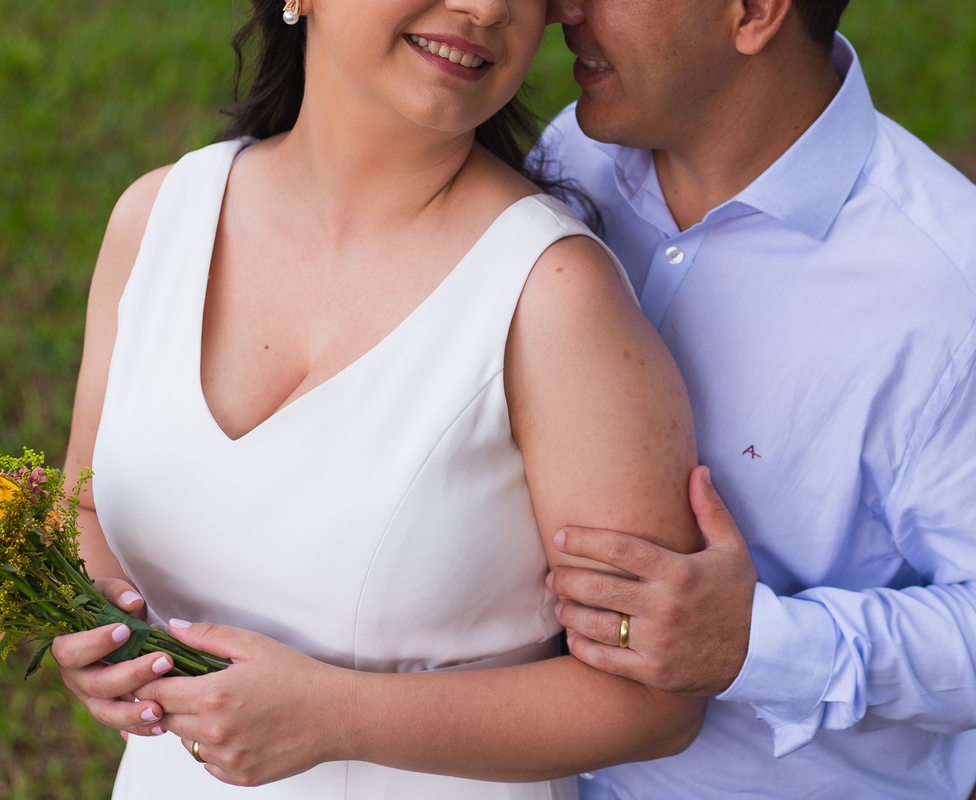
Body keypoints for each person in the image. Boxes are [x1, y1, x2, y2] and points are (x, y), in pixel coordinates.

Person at [51, 0, 706, 796]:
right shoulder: (157, 220)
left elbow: (657, 701)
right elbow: (83, 507)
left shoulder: (555, 298)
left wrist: (343, 719)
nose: (487, 7)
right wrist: (97, 640)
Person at [532, 0, 976, 797]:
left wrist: (762, 644)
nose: (564, 9)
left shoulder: (952, 302)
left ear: (756, 13)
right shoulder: (571, 155)